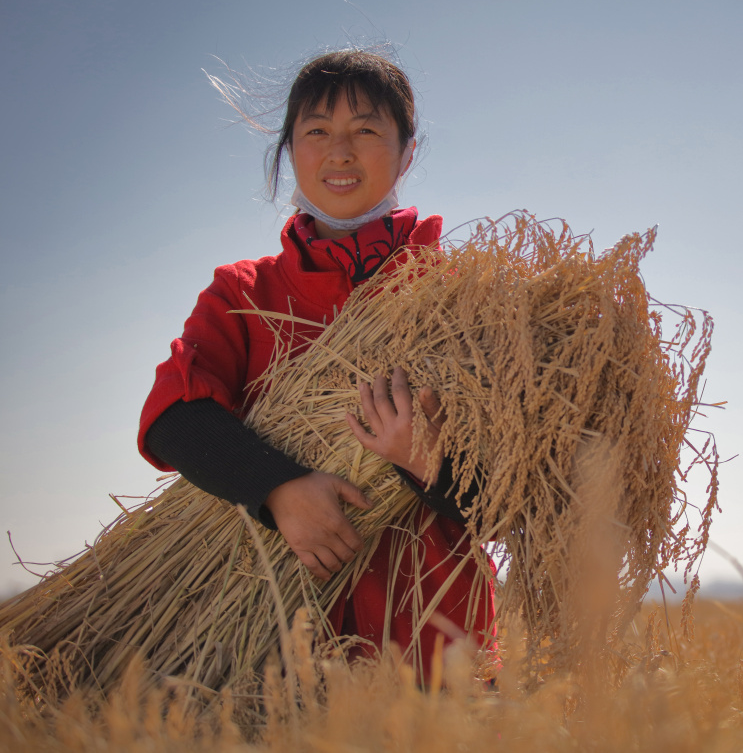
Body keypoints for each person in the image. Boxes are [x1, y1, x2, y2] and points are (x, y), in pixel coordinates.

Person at [138, 48, 494, 685]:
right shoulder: (244, 295)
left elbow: (511, 496)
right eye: (317, 132)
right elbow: (175, 417)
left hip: (436, 626)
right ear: (287, 151)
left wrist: (428, 460)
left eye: (366, 130)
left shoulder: (461, 296)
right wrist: (277, 489)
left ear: (408, 152)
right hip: (269, 639)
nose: (340, 152)